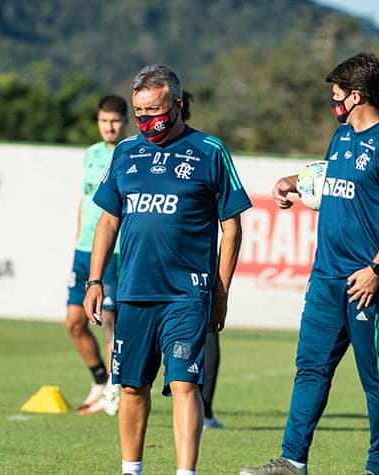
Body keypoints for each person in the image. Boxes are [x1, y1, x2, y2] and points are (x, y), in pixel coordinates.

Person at [240, 53, 379, 475]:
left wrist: (376, 270)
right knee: (310, 368)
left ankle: (378, 468)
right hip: (325, 280)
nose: (333, 102)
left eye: (337, 95)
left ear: (355, 96)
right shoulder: (341, 138)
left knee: (376, 380)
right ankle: (292, 461)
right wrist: (291, 183)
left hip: (366, 285)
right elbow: (326, 182)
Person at [84, 64, 251, 475]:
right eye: (139, 113)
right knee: (131, 386)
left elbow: (232, 227)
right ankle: (131, 470)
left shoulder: (210, 151)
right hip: (135, 292)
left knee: (184, 384)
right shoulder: (125, 152)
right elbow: (108, 221)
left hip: (186, 294)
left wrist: (221, 291)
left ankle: (184, 473)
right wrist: (94, 280)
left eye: (154, 111)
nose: (146, 121)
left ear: (177, 105)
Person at [66, 94, 127, 415]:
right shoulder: (90, 154)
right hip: (84, 250)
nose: (110, 127)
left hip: (115, 252)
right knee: (74, 322)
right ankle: (100, 380)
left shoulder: (131, 154)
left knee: (109, 323)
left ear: (125, 122)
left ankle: (114, 391)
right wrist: (79, 237)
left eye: (115, 121)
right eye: (104, 121)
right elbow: (84, 199)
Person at [181, 90, 225, 431]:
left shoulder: (208, 152)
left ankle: (204, 410)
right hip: (150, 271)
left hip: (196, 271)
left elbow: (231, 223)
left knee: (207, 335)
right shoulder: (135, 151)